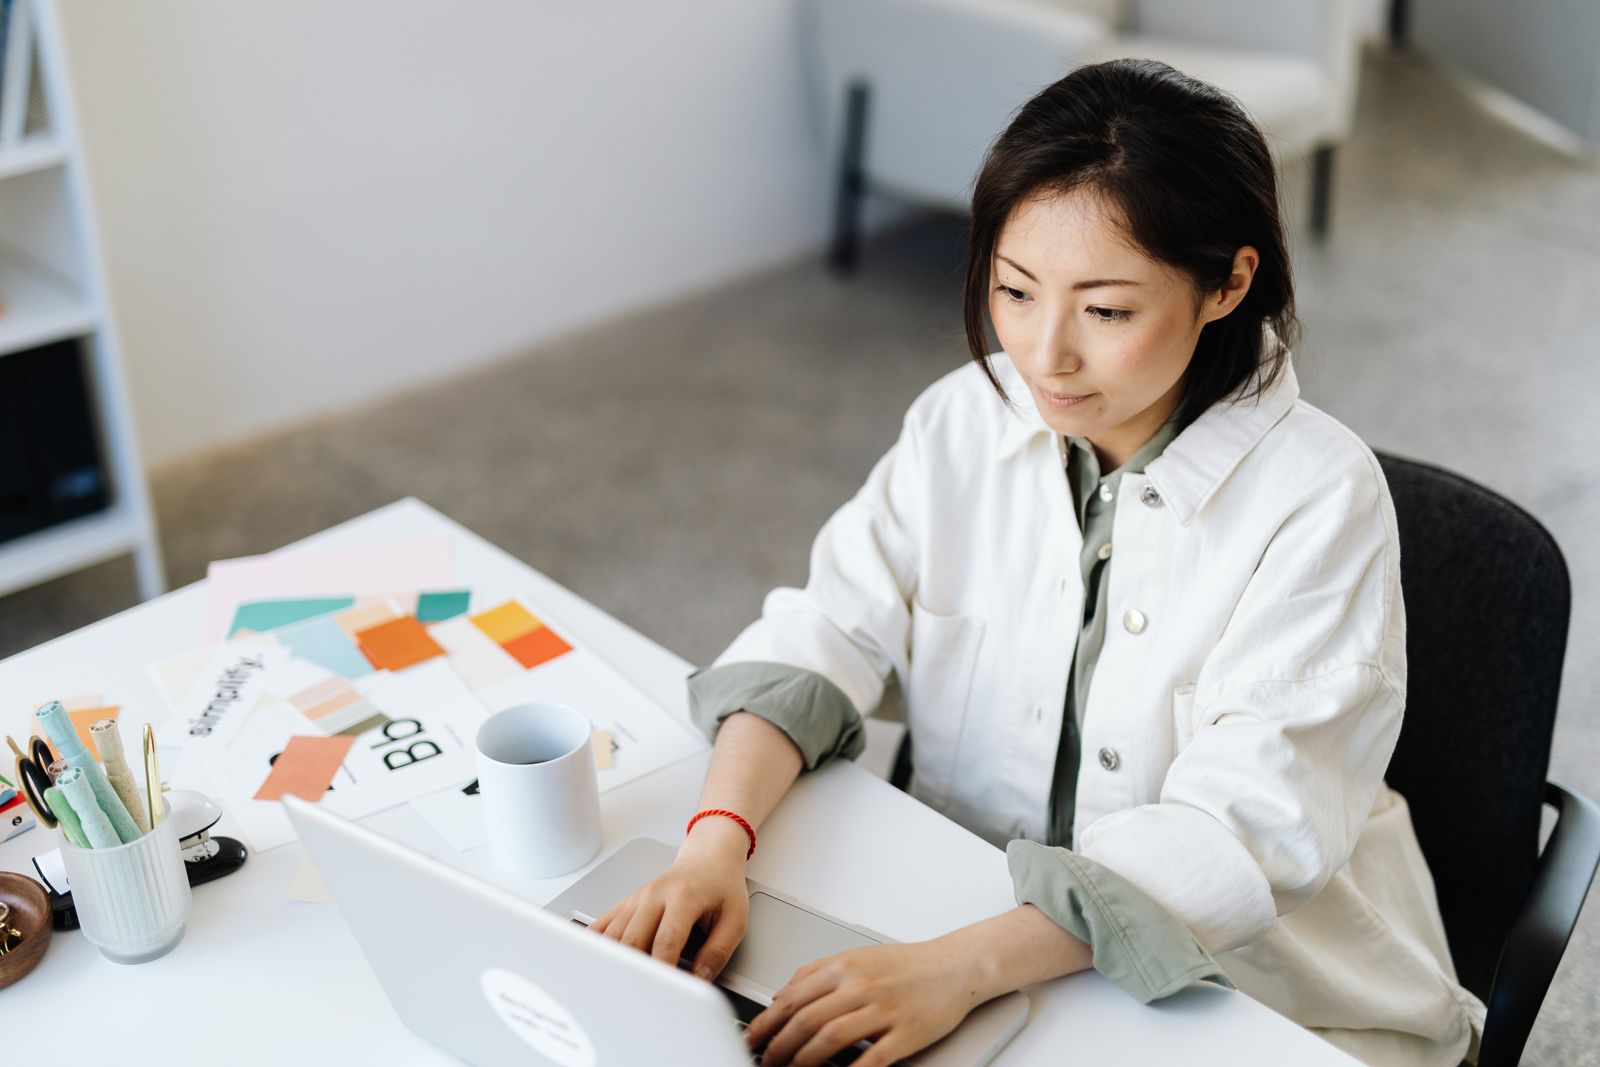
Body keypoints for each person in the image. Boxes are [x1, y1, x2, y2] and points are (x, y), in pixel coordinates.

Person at [590, 58, 1486, 1067]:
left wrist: (960, 969)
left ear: (1229, 283)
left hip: (1250, 994)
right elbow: (825, 628)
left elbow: (1242, 828)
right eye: (1013, 289)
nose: (1042, 354)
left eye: (1105, 311)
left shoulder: (1321, 499)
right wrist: (715, 842)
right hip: (963, 915)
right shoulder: (963, 420)